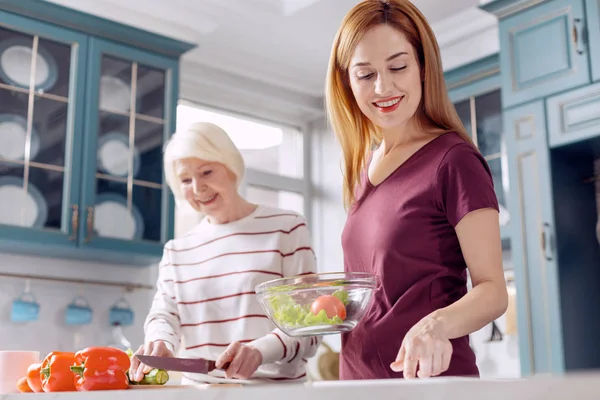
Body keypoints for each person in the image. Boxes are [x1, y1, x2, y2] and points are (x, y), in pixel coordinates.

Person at [325, 0, 508, 380]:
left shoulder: (454, 160)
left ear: (423, 68)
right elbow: (375, 294)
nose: (383, 87)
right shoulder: (364, 170)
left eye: (397, 67)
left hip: (427, 385)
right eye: (365, 74)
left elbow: (493, 292)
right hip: (356, 384)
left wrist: (435, 325)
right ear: (346, 81)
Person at [129, 122, 320, 384]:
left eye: (206, 172)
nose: (197, 189)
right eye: (186, 180)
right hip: (199, 393)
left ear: (231, 167)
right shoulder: (177, 251)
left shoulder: (286, 228)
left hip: (275, 393)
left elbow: (309, 325)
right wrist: (160, 342)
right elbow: (164, 315)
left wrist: (259, 351)